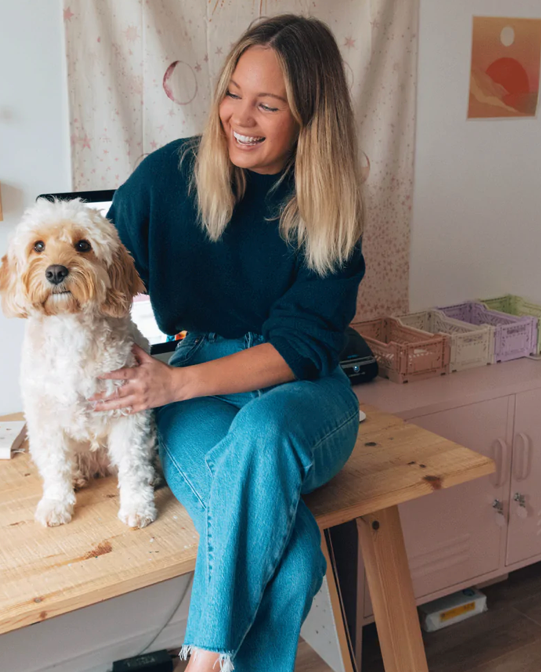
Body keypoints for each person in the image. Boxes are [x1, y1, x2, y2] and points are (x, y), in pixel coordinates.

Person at [96, 14, 365, 672]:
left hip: (302, 395)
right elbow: (92, 269)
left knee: (267, 428)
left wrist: (175, 383)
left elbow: (303, 348)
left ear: (309, 116)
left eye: (268, 104)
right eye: (232, 93)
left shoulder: (330, 201)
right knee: (295, 557)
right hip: (195, 384)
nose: (239, 116)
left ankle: (204, 659)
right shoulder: (167, 178)